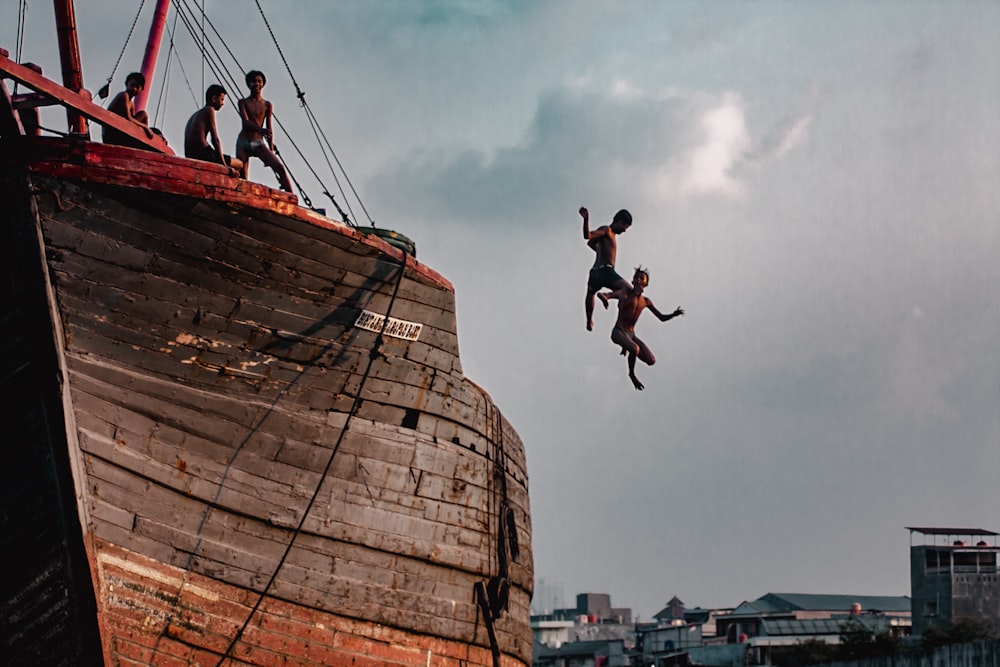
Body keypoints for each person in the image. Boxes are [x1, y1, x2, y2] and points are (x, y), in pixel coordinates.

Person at [598, 267, 684, 391]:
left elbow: (661, 317)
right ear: (632, 281)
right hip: (618, 332)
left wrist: (673, 314)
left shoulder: (646, 301)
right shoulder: (625, 292)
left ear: (646, 284)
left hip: (631, 335)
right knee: (635, 349)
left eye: (641, 278)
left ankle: (628, 347)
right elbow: (609, 297)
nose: (638, 280)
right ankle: (632, 374)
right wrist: (605, 298)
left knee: (651, 360)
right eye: (636, 278)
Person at [236, 70, 293, 192]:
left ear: (263, 84)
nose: (256, 84)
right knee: (242, 177)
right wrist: (260, 130)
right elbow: (245, 122)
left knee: (279, 167)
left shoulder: (267, 105)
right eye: (253, 81)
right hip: (243, 142)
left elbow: (269, 129)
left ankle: (292, 196)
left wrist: (271, 148)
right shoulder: (243, 102)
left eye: (259, 81)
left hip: (258, 143)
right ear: (249, 84)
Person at [581, 206, 633, 331]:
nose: (624, 231)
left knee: (590, 293)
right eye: (625, 227)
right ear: (619, 222)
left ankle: (589, 321)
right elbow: (587, 236)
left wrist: (601, 253)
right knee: (630, 291)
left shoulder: (607, 234)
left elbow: (591, 243)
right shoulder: (607, 231)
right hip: (606, 271)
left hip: (595, 272)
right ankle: (607, 295)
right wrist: (586, 219)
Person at [184, 84, 242, 174]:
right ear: (214, 99)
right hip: (203, 153)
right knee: (239, 164)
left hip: (190, 154)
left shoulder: (195, 115)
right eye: (222, 99)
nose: (223, 103)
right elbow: (215, 139)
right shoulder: (209, 110)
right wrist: (224, 165)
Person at [103, 72, 154, 145]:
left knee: (143, 114)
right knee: (143, 117)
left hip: (119, 130)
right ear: (126, 84)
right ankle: (144, 139)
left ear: (141, 90)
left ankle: (144, 139)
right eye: (132, 85)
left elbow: (133, 121)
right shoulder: (124, 95)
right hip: (111, 133)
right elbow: (129, 118)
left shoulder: (131, 104)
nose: (134, 89)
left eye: (137, 87)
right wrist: (145, 127)